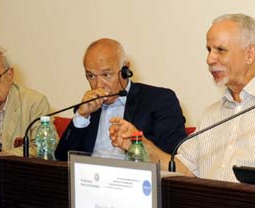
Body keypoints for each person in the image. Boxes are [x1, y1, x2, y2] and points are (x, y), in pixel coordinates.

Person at [109, 14, 255, 182]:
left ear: (250, 54)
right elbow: (181, 168)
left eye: (220, 50)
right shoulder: (212, 114)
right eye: (208, 49)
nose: (209, 59)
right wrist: (139, 144)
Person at [54, 38, 187, 160]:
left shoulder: (159, 100)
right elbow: (62, 159)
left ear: (125, 70)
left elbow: (173, 159)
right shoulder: (87, 107)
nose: (98, 85)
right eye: (91, 76)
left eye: (106, 74)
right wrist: (82, 116)